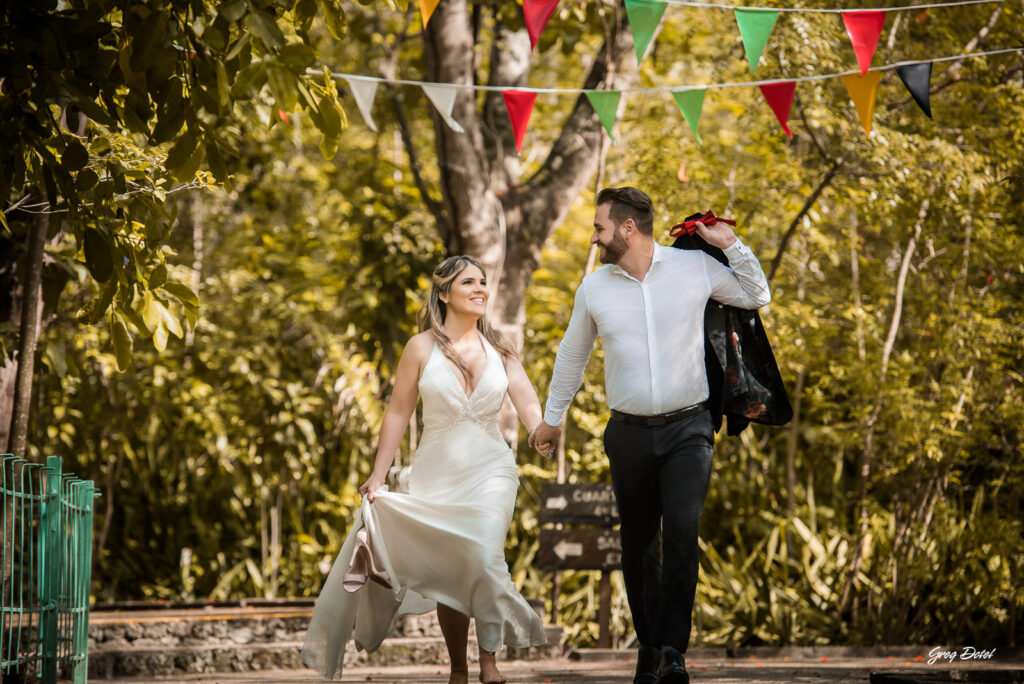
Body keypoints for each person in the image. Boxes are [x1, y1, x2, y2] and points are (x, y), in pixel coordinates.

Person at [529, 187, 771, 684]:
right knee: (638, 545)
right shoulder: (595, 287)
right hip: (628, 436)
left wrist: (730, 244)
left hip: (690, 430)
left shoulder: (693, 270)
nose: (593, 238)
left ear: (627, 228)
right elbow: (572, 355)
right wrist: (553, 417)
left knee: (682, 534)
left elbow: (756, 295)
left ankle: (672, 651)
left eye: (599, 228)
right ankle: (650, 645)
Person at [302, 255, 548, 683]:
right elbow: (398, 412)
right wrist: (379, 474)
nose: (480, 289)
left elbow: (524, 394)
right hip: (436, 471)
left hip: (493, 467)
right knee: (452, 565)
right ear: (443, 292)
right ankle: (458, 668)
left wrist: (539, 429)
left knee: (483, 553)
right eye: (469, 282)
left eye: (483, 282)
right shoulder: (421, 348)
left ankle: (489, 663)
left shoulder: (500, 347)